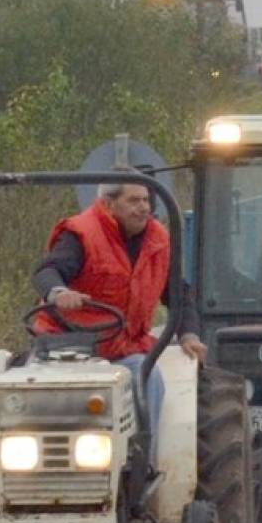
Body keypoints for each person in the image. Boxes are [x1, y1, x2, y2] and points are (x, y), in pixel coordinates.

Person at [33, 182, 207, 448]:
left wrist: (189, 335)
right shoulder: (82, 235)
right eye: (134, 201)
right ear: (108, 204)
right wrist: (59, 292)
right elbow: (48, 271)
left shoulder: (158, 242)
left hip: (123, 353)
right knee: (25, 391)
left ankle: (140, 466)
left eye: (146, 201)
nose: (143, 208)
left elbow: (178, 296)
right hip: (66, 349)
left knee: (147, 376)